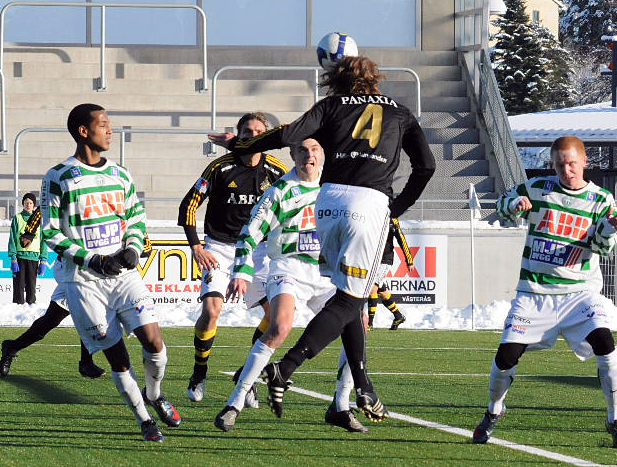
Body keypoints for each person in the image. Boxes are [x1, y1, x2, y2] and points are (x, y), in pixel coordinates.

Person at [209, 55, 436, 421]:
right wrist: (397, 208)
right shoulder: (400, 111)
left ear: (337, 79)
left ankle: (355, 391)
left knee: (347, 301)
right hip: (369, 204)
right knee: (351, 300)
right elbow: (426, 167)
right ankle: (289, 368)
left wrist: (240, 145)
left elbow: (286, 134)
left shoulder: (331, 105)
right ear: (375, 80)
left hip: (327, 204)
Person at [472, 135, 617, 449]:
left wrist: (610, 229)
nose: (566, 170)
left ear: (585, 162)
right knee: (505, 357)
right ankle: (493, 411)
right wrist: (514, 205)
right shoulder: (538, 188)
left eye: (572, 163)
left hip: (580, 293)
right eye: (560, 165)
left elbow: (601, 247)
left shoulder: (602, 200)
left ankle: (615, 419)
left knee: (605, 343)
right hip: (534, 292)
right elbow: (503, 208)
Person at [40, 103, 181, 442]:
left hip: (123, 276)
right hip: (83, 282)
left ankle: (154, 392)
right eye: (103, 124)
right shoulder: (58, 176)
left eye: (110, 124)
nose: (110, 130)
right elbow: (49, 232)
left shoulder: (120, 174)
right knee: (117, 357)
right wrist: (92, 260)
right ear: (83, 132)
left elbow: (134, 218)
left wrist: (132, 247)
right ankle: (145, 420)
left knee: (155, 342)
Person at [215, 139, 365, 433]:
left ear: (324, 154)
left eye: (315, 150)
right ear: (293, 155)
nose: (309, 155)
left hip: (326, 271)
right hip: (289, 266)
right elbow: (249, 234)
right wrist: (242, 272)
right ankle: (235, 401)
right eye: (303, 150)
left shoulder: (335, 186)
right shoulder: (280, 191)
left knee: (357, 322)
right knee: (280, 327)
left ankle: (341, 405)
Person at [178, 112, 288, 403]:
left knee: (275, 318)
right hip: (221, 247)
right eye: (247, 131)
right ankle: (199, 372)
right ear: (238, 135)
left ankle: (246, 377)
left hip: (259, 251)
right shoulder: (220, 167)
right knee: (212, 311)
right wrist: (197, 247)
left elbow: (292, 205)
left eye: (258, 132)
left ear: (266, 137)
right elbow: (189, 205)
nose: (252, 136)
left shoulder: (277, 171)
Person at [0, 208, 106, 379]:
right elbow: (45, 206)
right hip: (70, 266)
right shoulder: (71, 189)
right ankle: (85, 362)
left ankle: (12, 347)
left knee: (65, 318)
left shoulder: (103, 194)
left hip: (87, 267)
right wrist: (29, 232)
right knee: (79, 315)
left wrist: (141, 241)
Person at [367, 218, 412, 331]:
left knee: (373, 287)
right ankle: (398, 316)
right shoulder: (373, 215)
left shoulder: (392, 220)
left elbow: (402, 239)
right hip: (372, 260)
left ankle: (369, 324)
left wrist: (409, 260)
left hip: (385, 260)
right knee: (381, 291)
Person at [8, 193, 48, 305]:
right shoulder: (17, 218)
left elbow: (43, 240)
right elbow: (12, 238)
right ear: (23, 204)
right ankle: (17, 309)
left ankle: (31, 309)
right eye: (26, 203)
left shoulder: (39, 220)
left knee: (31, 286)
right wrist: (13, 258)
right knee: (18, 286)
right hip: (20, 257)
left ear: (34, 205)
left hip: (33, 258)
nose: (28, 205)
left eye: (30, 203)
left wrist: (43, 260)